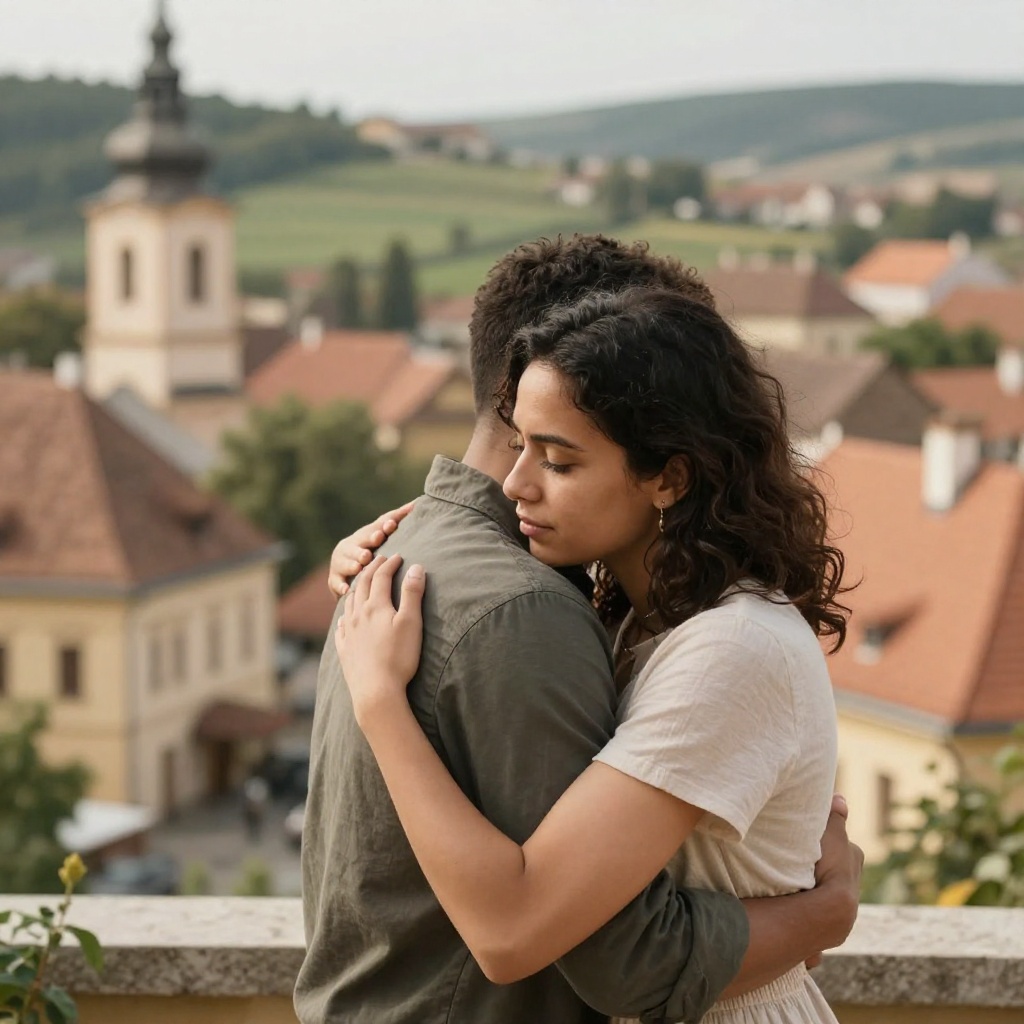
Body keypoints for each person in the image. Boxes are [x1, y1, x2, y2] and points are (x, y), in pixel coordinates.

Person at [296, 236, 862, 1024]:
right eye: (520, 443)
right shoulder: (626, 609)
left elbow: (515, 926)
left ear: (671, 474)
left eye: (557, 461)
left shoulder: (727, 646)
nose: (517, 484)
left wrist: (382, 703)